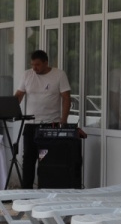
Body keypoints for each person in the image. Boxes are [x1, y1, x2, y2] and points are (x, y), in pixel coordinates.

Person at [14, 50, 80, 188]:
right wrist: (10, 110)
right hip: (31, 124)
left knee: (47, 159)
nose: (34, 68)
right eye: (32, 64)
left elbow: (66, 98)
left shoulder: (59, 74)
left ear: (46, 63)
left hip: (50, 124)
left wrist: (63, 120)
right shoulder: (27, 75)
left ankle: (45, 188)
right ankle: (26, 191)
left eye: (37, 65)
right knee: (28, 159)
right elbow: (19, 95)